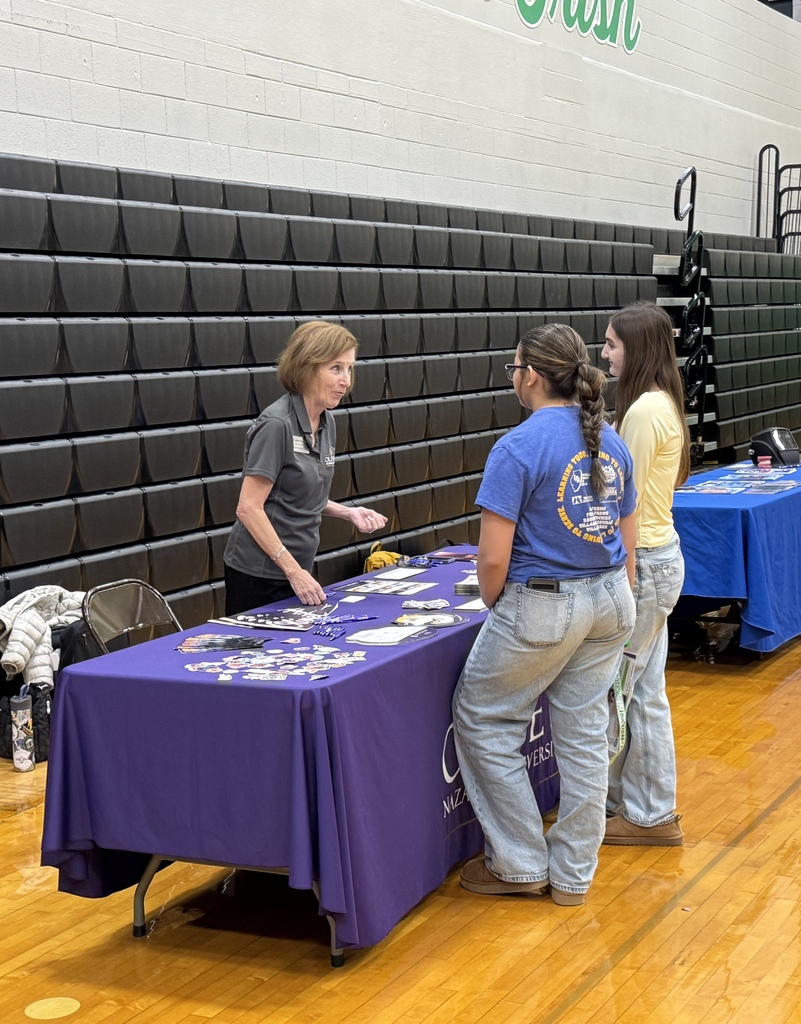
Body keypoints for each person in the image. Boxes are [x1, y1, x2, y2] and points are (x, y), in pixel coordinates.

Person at [452, 323, 637, 906]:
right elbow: (626, 545)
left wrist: (499, 608)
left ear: (530, 375)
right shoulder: (610, 439)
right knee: (583, 734)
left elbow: (491, 563)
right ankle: (573, 876)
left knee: (482, 714)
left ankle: (520, 862)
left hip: (545, 603)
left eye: (513, 368)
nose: (513, 377)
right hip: (611, 598)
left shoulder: (517, 447)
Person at [601, 301, 690, 846]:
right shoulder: (659, 404)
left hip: (646, 565)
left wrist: (622, 576)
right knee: (643, 690)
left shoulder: (642, 412)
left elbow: (620, 503)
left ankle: (646, 813)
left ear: (636, 349)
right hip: (659, 560)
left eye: (611, 344)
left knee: (620, 692)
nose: (604, 353)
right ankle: (643, 807)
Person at [223, 320, 387, 614]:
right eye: (336, 368)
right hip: (260, 574)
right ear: (306, 367)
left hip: (297, 568)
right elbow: (248, 508)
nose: (346, 380)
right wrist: (293, 571)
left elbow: (297, 494)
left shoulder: (326, 422)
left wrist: (347, 512)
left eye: (349, 369)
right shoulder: (276, 425)